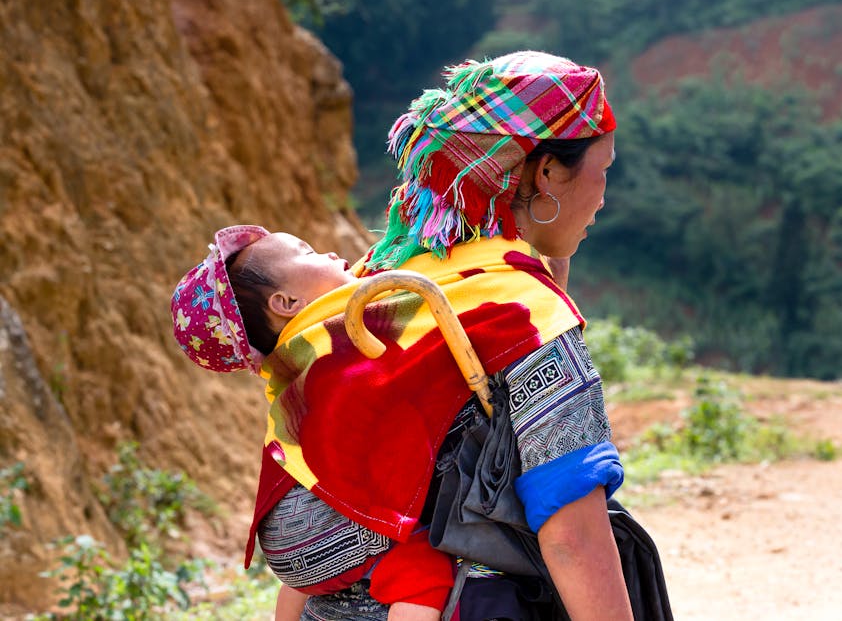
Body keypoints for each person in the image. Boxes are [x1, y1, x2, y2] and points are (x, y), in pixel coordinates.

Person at [225, 50, 637, 620]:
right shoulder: (518, 316)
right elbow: (573, 537)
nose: (604, 191)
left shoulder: (380, 276)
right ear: (545, 173)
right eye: (605, 167)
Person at [171, 226, 454, 621]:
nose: (330, 254)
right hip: (327, 531)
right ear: (287, 302)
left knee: (305, 573)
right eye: (309, 253)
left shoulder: (295, 358)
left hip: (284, 541)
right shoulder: (349, 331)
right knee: (423, 569)